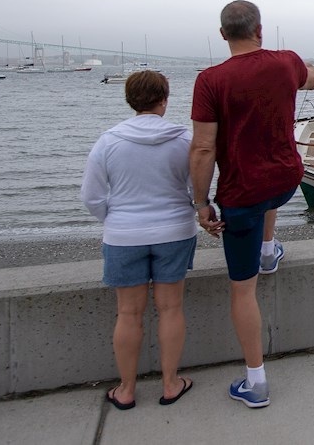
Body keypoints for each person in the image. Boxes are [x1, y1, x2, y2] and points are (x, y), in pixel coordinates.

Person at [190, 0, 314, 409]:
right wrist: (308, 70)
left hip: (242, 195)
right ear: (259, 30)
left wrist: (201, 203)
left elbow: (203, 149)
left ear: (223, 35)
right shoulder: (286, 62)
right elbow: (312, 79)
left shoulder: (210, 80)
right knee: (268, 195)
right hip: (286, 181)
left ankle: (256, 382)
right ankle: (269, 251)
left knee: (243, 290)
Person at [80, 70, 196, 410]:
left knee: (128, 313)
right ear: (165, 98)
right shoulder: (183, 139)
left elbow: (91, 196)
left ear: (130, 100)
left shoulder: (108, 141)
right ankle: (171, 383)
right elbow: (197, 187)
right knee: (171, 308)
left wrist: (116, 220)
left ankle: (127, 389)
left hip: (123, 235)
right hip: (174, 232)